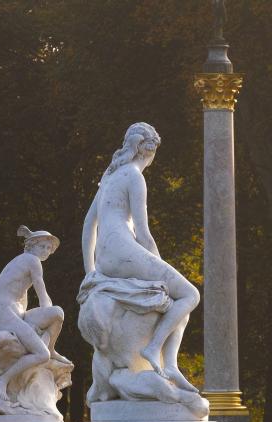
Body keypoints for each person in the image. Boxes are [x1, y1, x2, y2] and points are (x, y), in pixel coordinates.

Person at [81, 122, 200, 393]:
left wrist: (91, 271)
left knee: (176, 306)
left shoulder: (109, 177)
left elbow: (89, 225)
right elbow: (144, 234)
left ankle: (169, 365)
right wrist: (160, 265)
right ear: (148, 151)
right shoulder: (135, 176)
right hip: (125, 250)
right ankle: (154, 347)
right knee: (190, 295)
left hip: (105, 259)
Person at [0, 225, 71, 401]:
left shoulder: (23, 261)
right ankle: (3, 380)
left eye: (49, 248)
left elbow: (23, 296)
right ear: (31, 245)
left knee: (58, 313)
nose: (46, 251)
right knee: (41, 354)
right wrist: (45, 310)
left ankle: (51, 347)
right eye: (42, 246)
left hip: (17, 313)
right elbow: (41, 291)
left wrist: (47, 314)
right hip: (7, 315)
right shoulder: (31, 260)